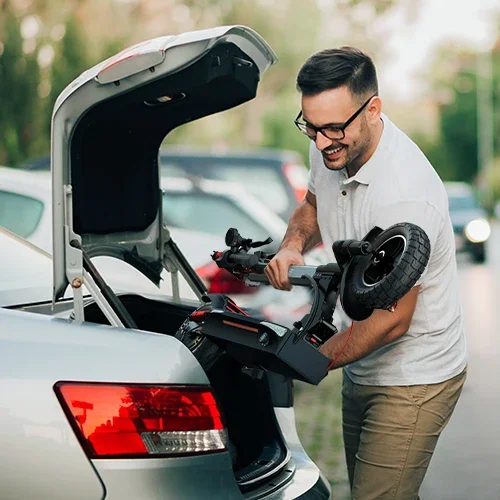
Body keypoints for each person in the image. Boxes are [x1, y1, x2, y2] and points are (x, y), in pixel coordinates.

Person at [264, 47, 467, 499]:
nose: (320, 142)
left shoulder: (406, 196)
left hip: (415, 373)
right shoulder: (330, 144)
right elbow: (314, 204)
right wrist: (293, 246)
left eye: (333, 128)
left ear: (373, 108)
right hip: (365, 366)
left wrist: (305, 362)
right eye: (311, 126)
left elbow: (392, 319)